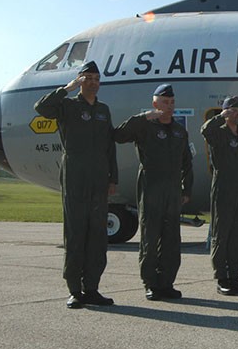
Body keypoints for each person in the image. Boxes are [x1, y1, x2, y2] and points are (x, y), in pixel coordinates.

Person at [34, 61, 118, 309]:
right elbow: (41, 108)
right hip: (75, 177)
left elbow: (109, 146)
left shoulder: (103, 110)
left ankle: (92, 288)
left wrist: (112, 178)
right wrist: (67, 88)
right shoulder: (67, 106)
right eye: (87, 78)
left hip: (99, 179)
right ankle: (74, 290)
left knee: (97, 236)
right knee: (76, 233)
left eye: (95, 78)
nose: (92, 82)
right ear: (80, 81)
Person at [113, 84, 193, 301]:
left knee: (171, 240)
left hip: (173, 190)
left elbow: (187, 161)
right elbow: (119, 135)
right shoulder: (145, 127)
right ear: (155, 104)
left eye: (172, 102)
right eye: (165, 102)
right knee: (150, 237)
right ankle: (151, 283)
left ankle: (167, 283)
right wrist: (143, 118)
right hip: (151, 187)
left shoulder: (179, 131)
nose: (169, 106)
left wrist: (187, 189)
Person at [201, 95, 238, 296]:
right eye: (233, 110)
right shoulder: (218, 133)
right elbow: (205, 130)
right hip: (223, 189)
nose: (237, 114)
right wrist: (220, 116)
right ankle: (222, 277)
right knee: (222, 234)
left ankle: (234, 277)